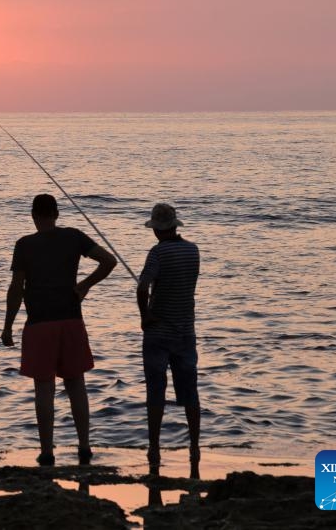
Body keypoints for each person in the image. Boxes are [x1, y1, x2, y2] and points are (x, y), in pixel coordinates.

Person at [2, 193, 117, 466]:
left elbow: (16, 289)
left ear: (33, 215)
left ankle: (47, 452)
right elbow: (109, 261)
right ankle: (85, 447)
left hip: (39, 323)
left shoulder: (24, 245)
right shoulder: (74, 237)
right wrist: (86, 284)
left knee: (44, 389)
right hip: (71, 321)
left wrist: (7, 326)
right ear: (56, 214)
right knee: (76, 384)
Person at [136, 203, 201, 478]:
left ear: (157, 229)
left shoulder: (157, 253)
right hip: (185, 331)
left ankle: (154, 447)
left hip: (158, 333)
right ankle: (195, 447)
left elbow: (141, 287)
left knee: (156, 392)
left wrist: (145, 316)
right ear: (175, 225)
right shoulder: (193, 250)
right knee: (190, 392)